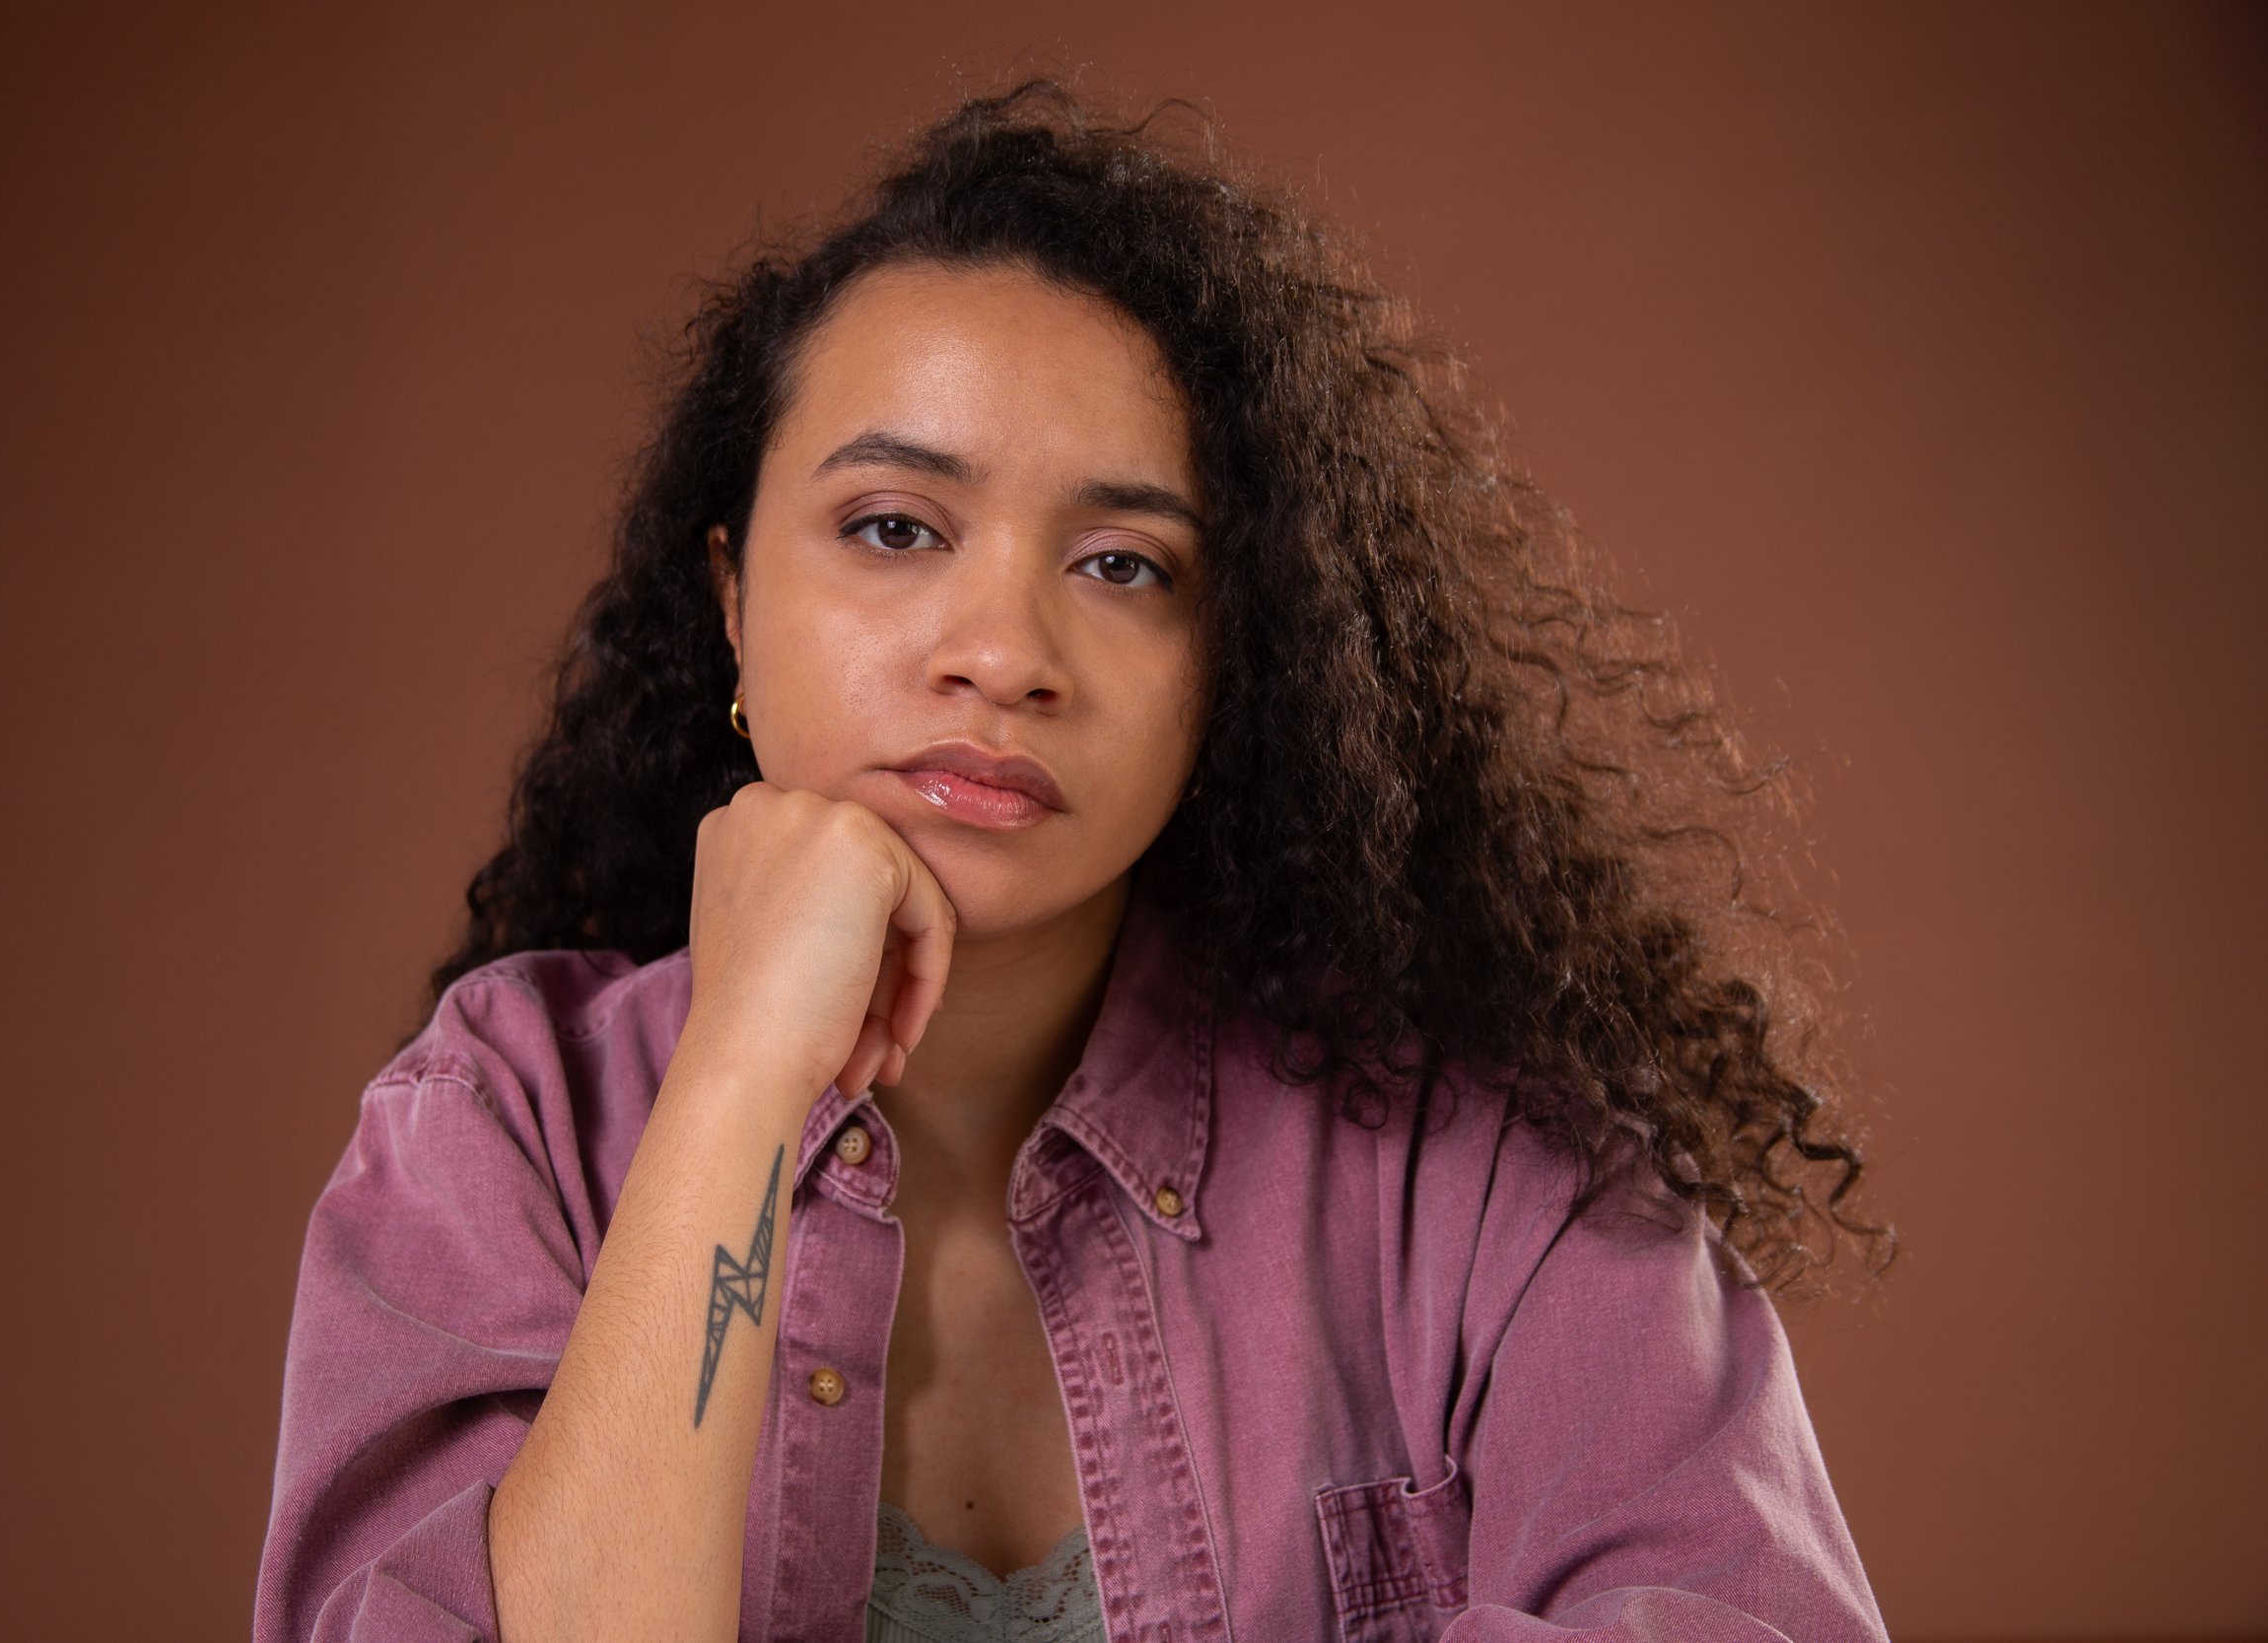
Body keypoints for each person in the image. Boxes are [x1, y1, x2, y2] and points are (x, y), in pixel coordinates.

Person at [254, 79, 1896, 1643]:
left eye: (1122, 564)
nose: (1002, 650)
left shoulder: (1485, 1177)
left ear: (1234, 665)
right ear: (735, 596)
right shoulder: (501, 1128)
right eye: (895, 527)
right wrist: (742, 1076)